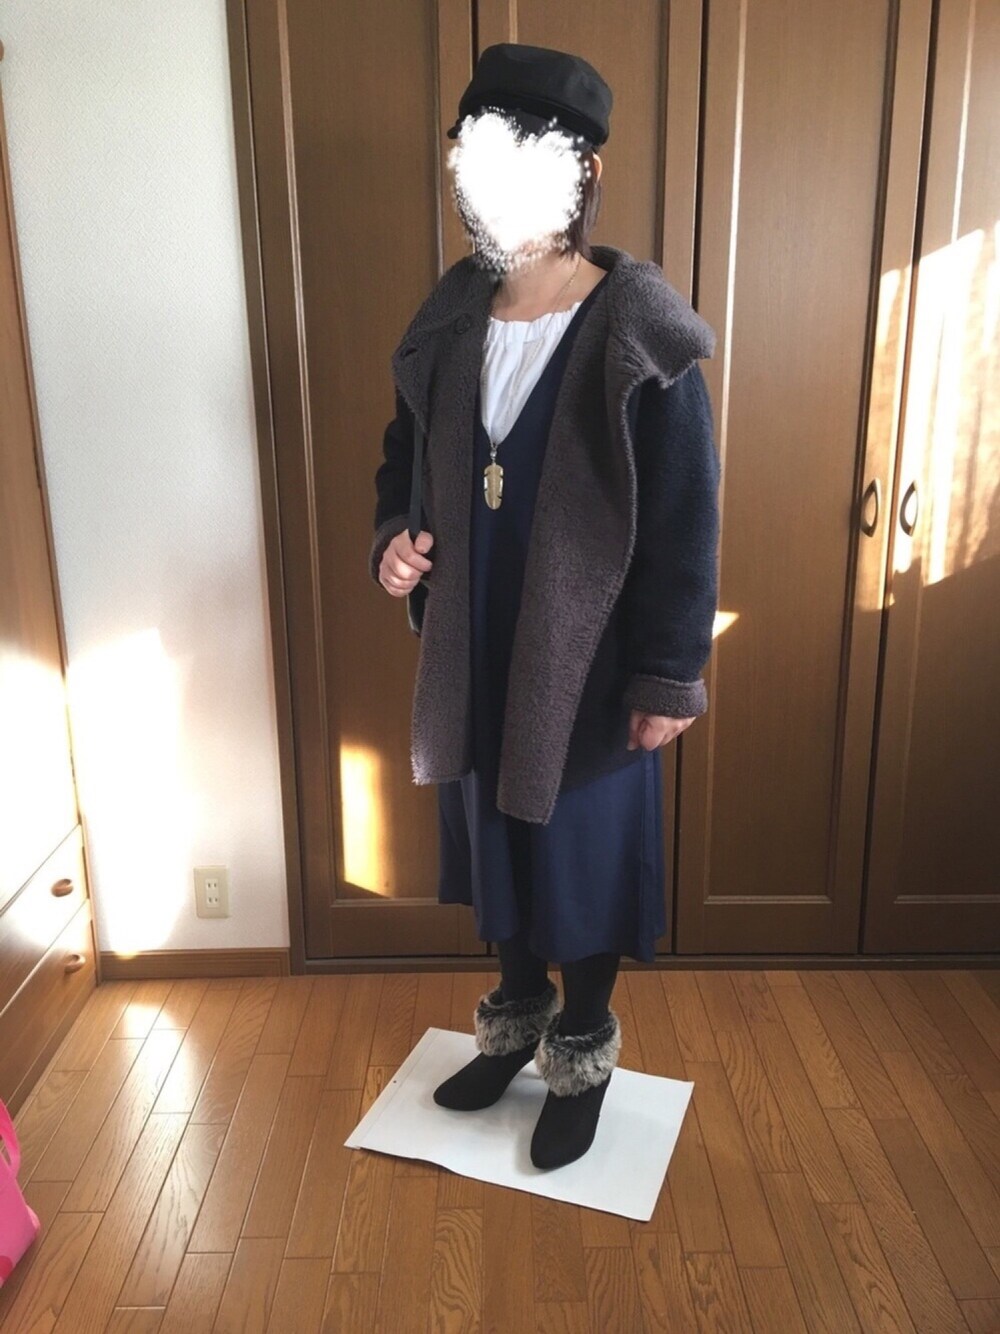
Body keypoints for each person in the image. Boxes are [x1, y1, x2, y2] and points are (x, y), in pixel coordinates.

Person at [369, 43, 720, 1170]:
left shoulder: (637, 324)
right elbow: (403, 461)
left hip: (594, 660)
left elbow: (685, 517)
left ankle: (580, 1053)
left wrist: (668, 676)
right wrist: (395, 541)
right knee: (500, 845)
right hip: (472, 642)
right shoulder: (450, 317)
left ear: (584, 175)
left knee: (582, 859)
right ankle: (514, 1023)